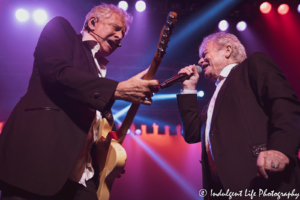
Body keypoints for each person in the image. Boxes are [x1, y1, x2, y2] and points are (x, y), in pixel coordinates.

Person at [0, 4, 159, 200]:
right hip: (38, 164)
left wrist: (108, 157)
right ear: (93, 23)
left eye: (123, 34)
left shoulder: (99, 71)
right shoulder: (61, 29)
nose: (119, 37)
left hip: (83, 177)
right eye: (116, 28)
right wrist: (116, 89)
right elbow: (57, 73)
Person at [177, 32, 300, 199]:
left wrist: (280, 149)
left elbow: (284, 104)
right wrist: (189, 88)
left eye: (205, 54)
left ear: (227, 50)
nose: (200, 61)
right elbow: (192, 134)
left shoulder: (253, 66)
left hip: (261, 183)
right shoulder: (212, 102)